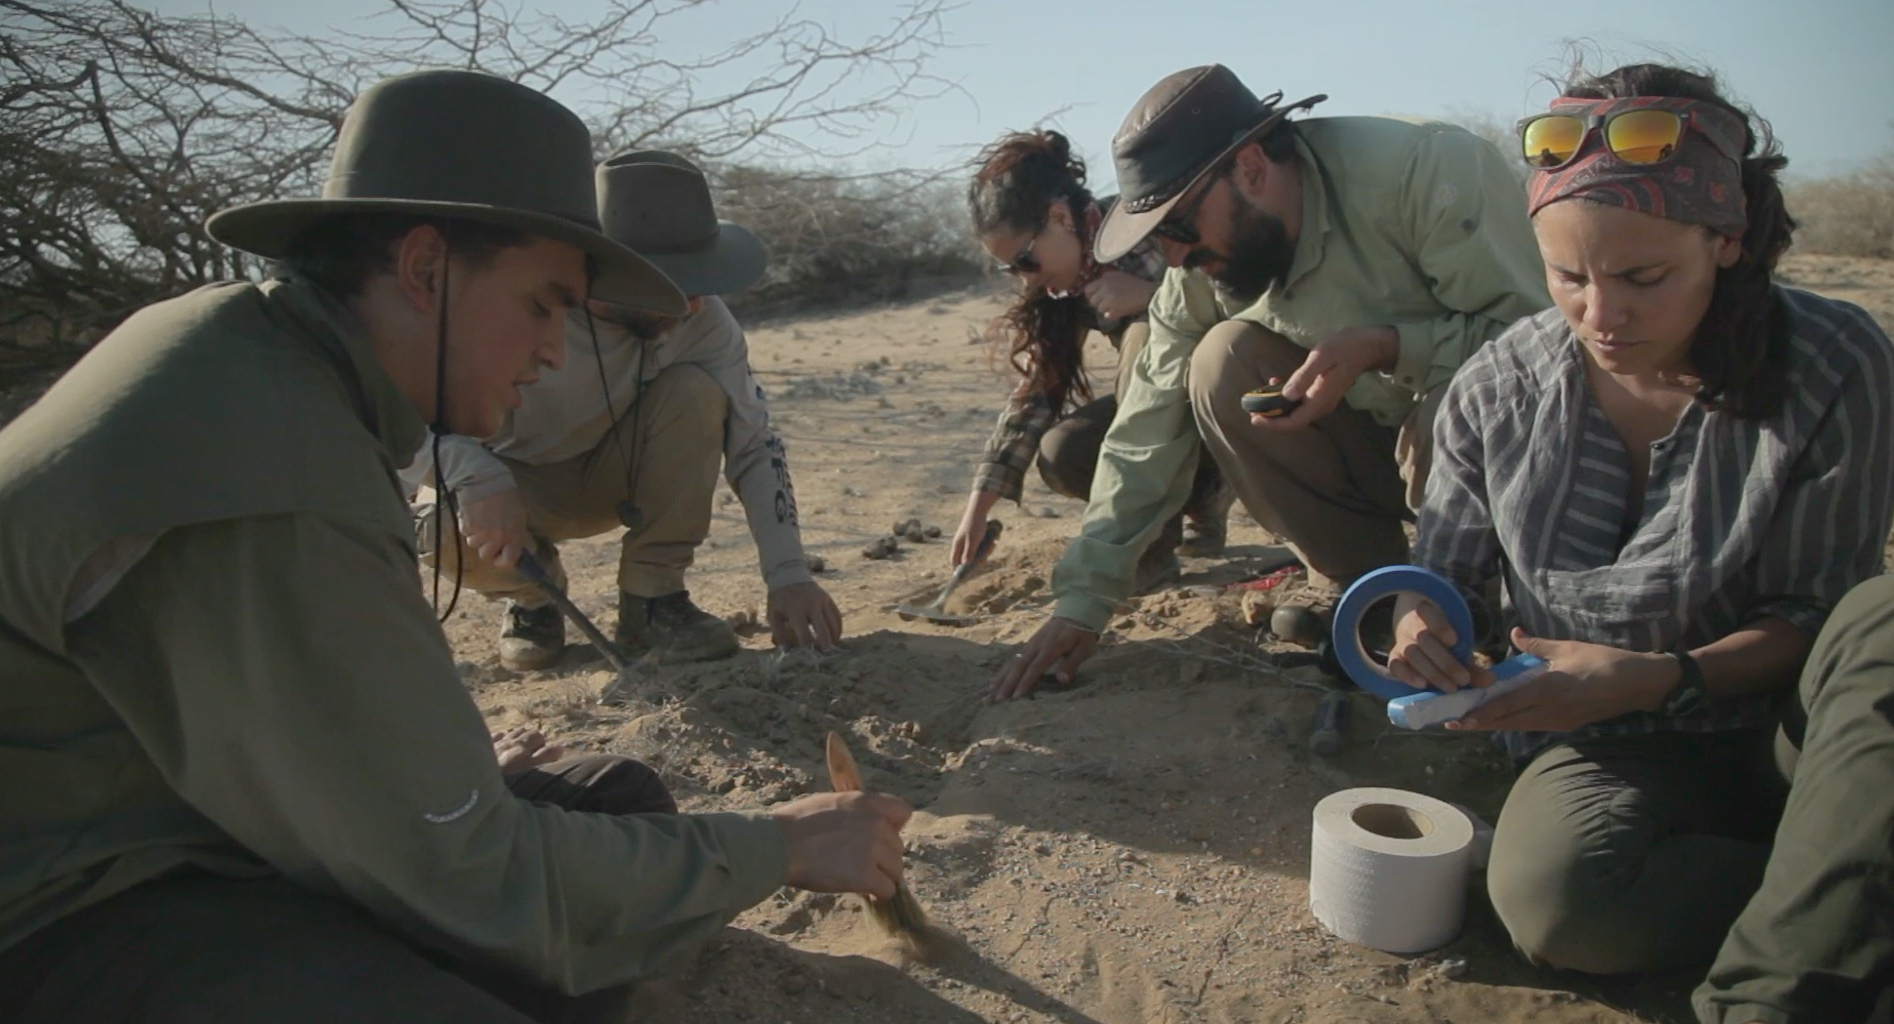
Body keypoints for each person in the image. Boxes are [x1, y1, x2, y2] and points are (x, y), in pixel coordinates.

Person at [0, 70, 908, 1024]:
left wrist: (443, 780)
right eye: (544, 303)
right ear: (426, 268)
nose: (556, 347)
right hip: (69, 904)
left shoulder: (265, 359)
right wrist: (779, 846)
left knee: (613, 801)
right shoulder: (268, 461)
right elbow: (470, 875)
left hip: (197, 815)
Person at [1388, 63, 1894, 977]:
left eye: (1644, 276)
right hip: (1604, 748)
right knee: (1562, 902)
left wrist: (1662, 676)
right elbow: (1445, 581)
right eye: (1567, 277)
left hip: (1790, 734)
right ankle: (1840, 905)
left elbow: (1823, 621)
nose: (1602, 313)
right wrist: (1423, 627)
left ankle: (1820, 920)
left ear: (1727, 239)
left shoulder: (1834, 362)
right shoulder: (1494, 389)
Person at [991, 64, 1548, 700]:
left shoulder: (1428, 171)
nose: (1173, 257)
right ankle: (1374, 599)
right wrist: (1082, 601)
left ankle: (1479, 605)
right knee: (1220, 360)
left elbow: (1540, 355)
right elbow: (1145, 425)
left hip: (1494, 481)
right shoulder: (1196, 268)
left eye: (1177, 228)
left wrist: (1391, 347)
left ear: (1252, 168)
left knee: (1460, 397)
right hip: (1375, 465)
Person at [407, 149, 841, 670]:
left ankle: (652, 600)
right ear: (609, 272)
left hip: (615, 473)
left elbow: (755, 441)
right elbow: (395, 425)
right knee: (441, 529)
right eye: (673, 284)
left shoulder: (702, 319)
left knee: (697, 393)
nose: (695, 305)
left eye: (700, 280)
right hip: (502, 490)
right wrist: (471, 473)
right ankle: (532, 598)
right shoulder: (513, 303)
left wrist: (789, 573)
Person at [959, 129, 1230, 581]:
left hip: (1230, 402)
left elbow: (1250, 309)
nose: (1025, 280)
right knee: (1060, 452)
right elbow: (1033, 399)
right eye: (1011, 268)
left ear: (1061, 217)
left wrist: (1152, 295)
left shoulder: (1151, 225)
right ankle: (1177, 523)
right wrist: (978, 507)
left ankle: (1178, 516)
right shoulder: (1062, 285)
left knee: (1144, 338)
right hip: (1159, 419)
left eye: (1026, 260)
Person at [1694, 575, 1894, 1024]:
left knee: (1885, 613)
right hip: (1606, 744)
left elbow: (1810, 605)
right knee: (1564, 892)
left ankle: (1774, 1006)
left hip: (1761, 716)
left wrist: (1667, 676)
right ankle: (1817, 875)